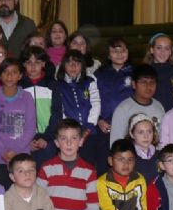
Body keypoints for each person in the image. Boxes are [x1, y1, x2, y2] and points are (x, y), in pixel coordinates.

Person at [0, 58, 37, 188]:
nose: (9, 76)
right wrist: (3, 151)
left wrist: (15, 151)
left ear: (20, 75)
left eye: (14, 72)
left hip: (22, 157)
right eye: (5, 72)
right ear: (0, 75)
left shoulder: (27, 97)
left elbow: (30, 128)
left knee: (22, 193)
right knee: (1, 193)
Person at [94, 37, 133, 174]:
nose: (119, 54)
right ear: (108, 54)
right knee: (104, 163)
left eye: (123, 50)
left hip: (128, 127)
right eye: (115, 51)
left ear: (128, 52)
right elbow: (92, 100)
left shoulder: (135, 73)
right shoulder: (99, 74)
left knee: (126, 163)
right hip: (105, 126)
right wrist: (99, 120)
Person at [55, 50, 101, 164]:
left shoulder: (89, 81)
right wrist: (70, 130)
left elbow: (96, 103)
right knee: (70, 162)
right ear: (63, 65)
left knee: (89, 163)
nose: (73, 66)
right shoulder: (58, 85)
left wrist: (88, 127)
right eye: (69, 63)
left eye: (77, 63)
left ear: (83, 66)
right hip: (69, 134)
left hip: (90, 132)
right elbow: (61, 109)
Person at [20, 46, 61, 167]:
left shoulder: (52, 85)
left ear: (43, 63)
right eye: (29, 62)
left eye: (37, 62)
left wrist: (47, 137)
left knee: (48, 172)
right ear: (24, 64)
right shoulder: (19, 87)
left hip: (49, 138)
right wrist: (26, 140)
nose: (33, 66)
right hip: (26, 140)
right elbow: (17, 116)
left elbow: (57, 113)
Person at [109, 64, 165, 146]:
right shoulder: (123, 109)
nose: (148, 86)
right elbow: (116, 143)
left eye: (152, 82)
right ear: (133, 84)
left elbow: (162, 140)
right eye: (143, 82)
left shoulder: (159, 107)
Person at [143, 33, 173, 111]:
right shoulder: (144, 71)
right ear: (151, 49)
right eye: (159, 48)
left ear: (171, 51)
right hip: (151, 113)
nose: (163, 52)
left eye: (167, 48)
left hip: (172, 114)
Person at [127, 113, 159, 183]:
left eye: (149, 132)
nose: (146, 136)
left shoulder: (160, 155)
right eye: (141, 132)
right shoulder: (128, 157)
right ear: (132, 134)